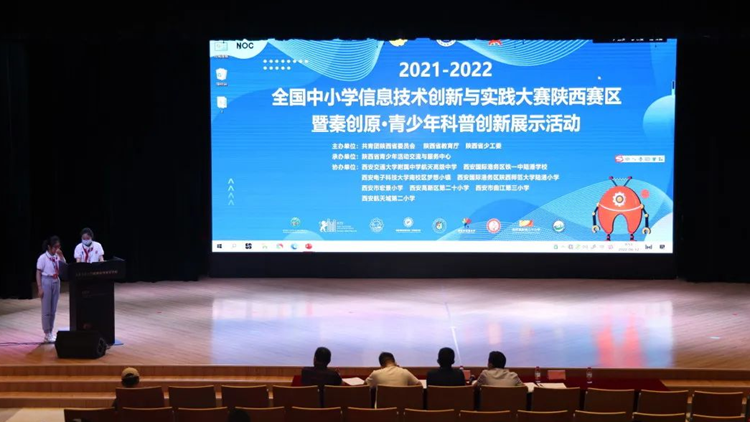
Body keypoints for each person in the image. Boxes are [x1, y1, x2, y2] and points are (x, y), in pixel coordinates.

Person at [36, 235, 65, 343]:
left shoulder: (57, 256)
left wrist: (61, 255)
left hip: (56, 281)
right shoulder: (43, 258)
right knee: (46, 309)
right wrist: (40, 287)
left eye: (58, 246)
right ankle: (46, 332)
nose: (57, 249)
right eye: (55, 247)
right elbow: (38, 273)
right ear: (49, 247)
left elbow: (64, 267)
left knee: (53, 309)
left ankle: (50, 332)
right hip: (46, 281)